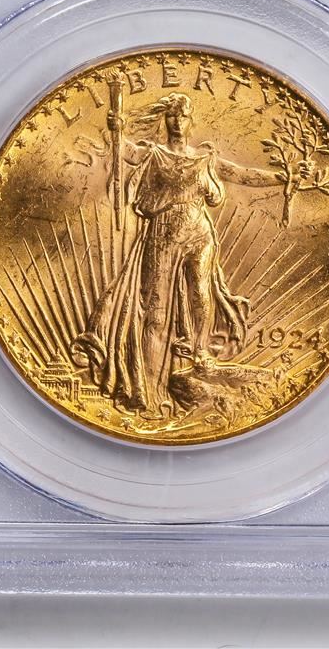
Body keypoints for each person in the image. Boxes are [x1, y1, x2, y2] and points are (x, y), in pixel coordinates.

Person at [71, 92, 279, 420]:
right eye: (171, 117)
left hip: (200, 232)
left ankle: (201, 354)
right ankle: (148, 388)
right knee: (155, 310)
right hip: (163, 233)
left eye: (182, 117)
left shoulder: (205, 159)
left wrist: (282, 178)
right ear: (165, 121)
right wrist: (116, 128)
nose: (177, 122)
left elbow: (241, 174)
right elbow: (127, 152)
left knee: (201, 294)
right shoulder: (155, 154)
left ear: (190, 121)